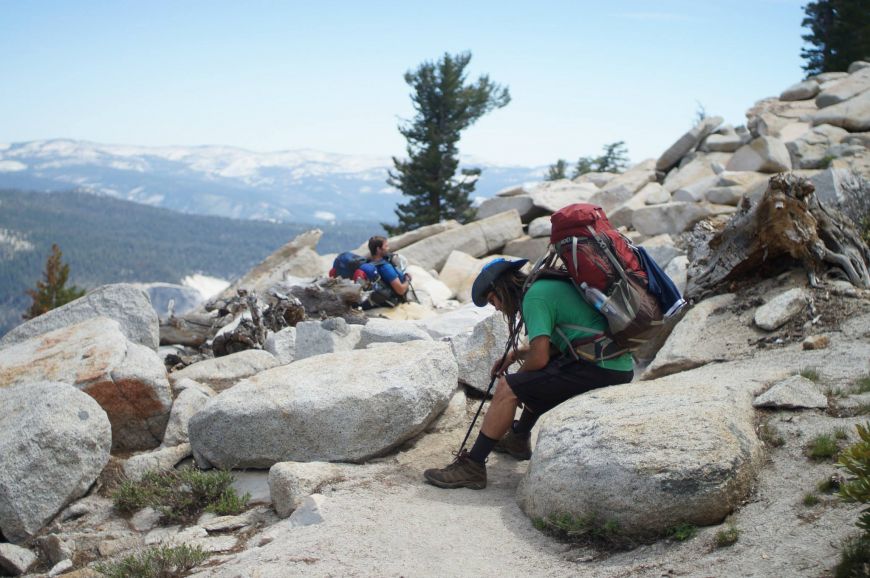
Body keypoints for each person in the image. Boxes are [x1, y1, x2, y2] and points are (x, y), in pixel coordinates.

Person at [423, 258, 634, 490]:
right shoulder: (546, 286)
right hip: (613, 364)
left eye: (493, 300)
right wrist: (515, 355)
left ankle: (472, 466)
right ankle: (518, 438)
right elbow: (558, 345)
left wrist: (518, 383)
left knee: (509, 387)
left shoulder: (535, 296)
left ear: (502, 288)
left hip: (601, 368)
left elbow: (540, 357)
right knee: (535, 377)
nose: (496, 307)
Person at [366, 235, 412, 301]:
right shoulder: (385, 267)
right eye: (386, 246)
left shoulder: (369, 262)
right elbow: (401, 290)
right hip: (393, 299)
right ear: (378, 249)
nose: (388, 248)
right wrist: (408, 280)